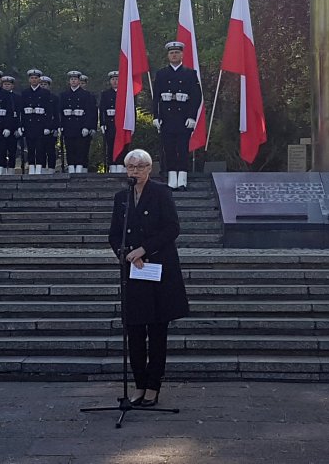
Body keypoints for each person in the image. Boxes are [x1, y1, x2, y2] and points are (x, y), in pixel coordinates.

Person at [108, 149, 189, 407]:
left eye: (139, 167)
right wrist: (127, 254)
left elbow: (172, 227)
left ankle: (154, 385)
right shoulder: (121, 198)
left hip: (159, 269)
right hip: (134, 271)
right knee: (134, 330)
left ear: (149, 169)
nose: (134, 172)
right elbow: (114, 234)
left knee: (156, 331)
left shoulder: (162, 192)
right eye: (130, 167)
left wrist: (144, 249)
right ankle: (139, 383)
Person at [153, 41, 201, 190]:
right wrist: (156, 116)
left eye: (177, 52)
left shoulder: (190, 73)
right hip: (167, 117)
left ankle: (183, 179)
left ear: (182, 54)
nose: (174, 55)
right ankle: (172, 179)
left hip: (183, 116)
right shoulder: (161, 74)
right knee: (169, 148)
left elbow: (196, 97)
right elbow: (155, 97)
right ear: (168, 55)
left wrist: (192, 116)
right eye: (171, 53)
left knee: (182, 147)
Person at [58, 70, 97, 173]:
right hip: (68, 126)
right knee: (70, 149)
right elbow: (60, 112)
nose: (73, 81)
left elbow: (90, 112)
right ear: (69, 81)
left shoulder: (86, 95)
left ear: (79, 81)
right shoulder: (63, 95)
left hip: (80, 126)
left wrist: (87, 127)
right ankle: (71, 168)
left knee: (80, 149)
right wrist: (60, 125)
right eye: (72, 79)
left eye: (75, 79)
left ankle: (79, 170)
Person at [99, 71, 124, 173]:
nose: (115, 81)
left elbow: (131, 109)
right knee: (111, 146)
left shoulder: (125, 92)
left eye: (117, 79)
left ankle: (121, 165)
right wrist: (102, 124)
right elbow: (102, 110)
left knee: (122, 146)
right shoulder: (105, 94)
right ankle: (112, 166)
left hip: (122, 124)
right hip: (110, 124)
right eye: (113, 79)